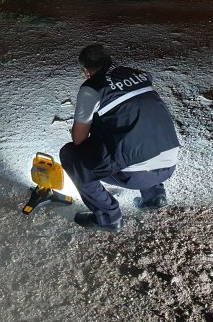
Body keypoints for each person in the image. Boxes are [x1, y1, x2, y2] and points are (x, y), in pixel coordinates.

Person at [59, 44, 180, 233]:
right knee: (139, 129)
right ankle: (155, 196)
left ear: (85, 70)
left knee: (70, 155)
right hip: (169, 162)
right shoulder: (139, 74)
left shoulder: (92, 88)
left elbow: (78, 139)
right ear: (109, 60)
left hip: (135, 175)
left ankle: (108, 217)